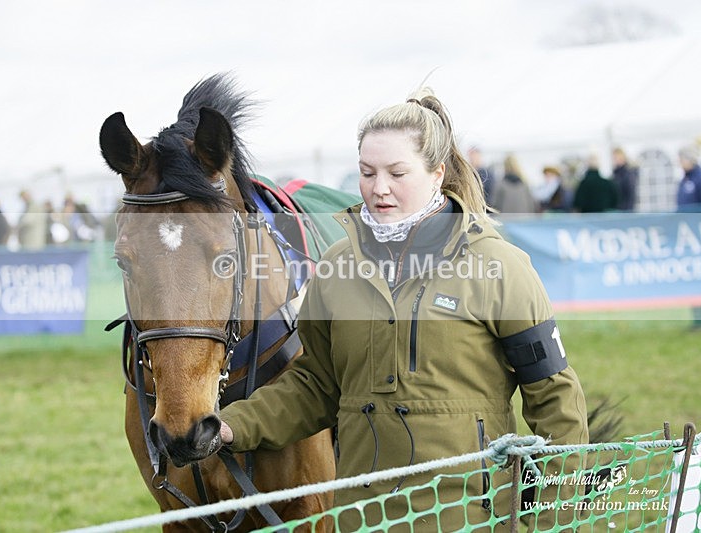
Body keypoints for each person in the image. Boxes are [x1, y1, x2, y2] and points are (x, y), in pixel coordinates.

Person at [219, 88, 589, 531]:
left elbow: (555, 400)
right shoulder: (335, 269)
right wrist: (230, 427)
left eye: (397, 173)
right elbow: (316, 383)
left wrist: (554, 519)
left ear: (437, 174)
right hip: (360, 520)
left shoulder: (500, 266)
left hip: (470, 519)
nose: (379, 188)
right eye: (367, 172)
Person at [676, 144, 701, 330]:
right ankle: (698, 319)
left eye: (681, 159)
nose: (679, 163)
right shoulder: (684, 180)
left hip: (700, 237)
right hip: (687, 236)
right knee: (693, 279)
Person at [611, 147, 638, 211]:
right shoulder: (616, 173)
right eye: (614, 158)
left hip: (626, 210)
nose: (614, 160)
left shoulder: (628, 172)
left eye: (616, 157)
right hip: (618, 209)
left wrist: (628, 211)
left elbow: (631, 194)